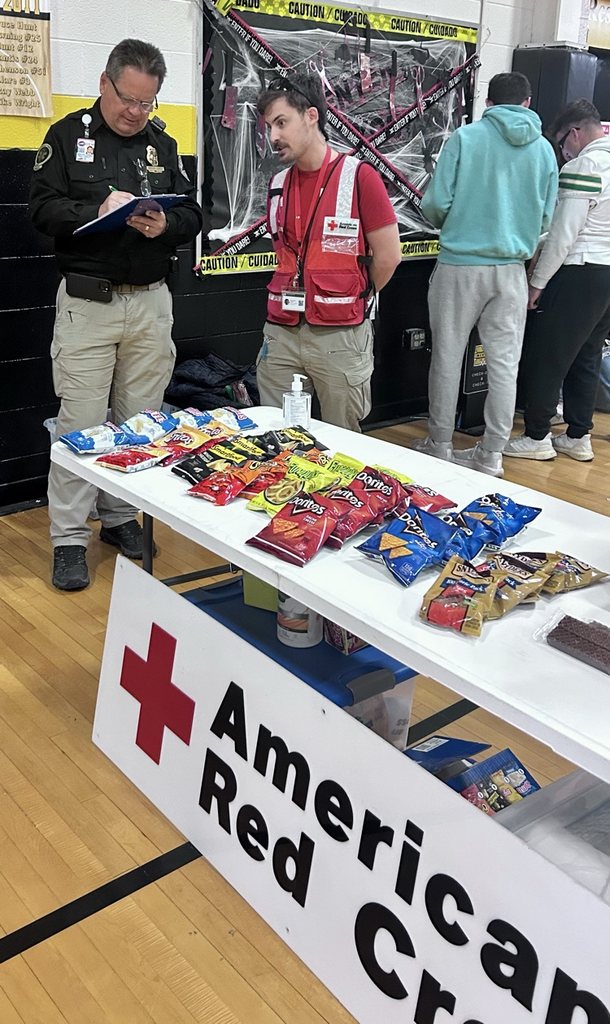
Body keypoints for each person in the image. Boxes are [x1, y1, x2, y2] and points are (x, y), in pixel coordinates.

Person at [29, 38, 203, 591]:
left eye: (148, 102)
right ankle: (69, 539)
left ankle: (122, 517)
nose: (136, 112)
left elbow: (194, 212)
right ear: (104, 84)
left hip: (151, 302)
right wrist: (94, 209)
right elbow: (40, 209)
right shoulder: (65, 136)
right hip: (89, 303)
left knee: (139, 426)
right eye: (128, 99)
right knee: (80, 425)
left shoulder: (164, 143)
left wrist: (167, 225)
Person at [412, 72, 558, 477]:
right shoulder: (545, 151)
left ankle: (439, 444)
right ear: (527, 104)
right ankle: (491, 453)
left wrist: (455, 221)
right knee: (504, 364)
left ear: (488, 102)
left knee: (447, 356)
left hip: (460, 264)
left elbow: (436, 203)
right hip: (512, 269)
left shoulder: (465, 138)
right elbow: (547, 217)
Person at [255, 73, 401, 432]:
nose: (273, 136)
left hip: (340, 335)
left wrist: (355, 297)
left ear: (311, 116)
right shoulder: (277, 186)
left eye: (281, 123)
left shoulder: (360, 177)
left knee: (344, 441)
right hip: (282, 332)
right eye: (269, 127)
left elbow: (388, 256)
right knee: (279, 438)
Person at [504, 99, 610, 463]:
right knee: (588, 355)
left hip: (580, 271)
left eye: (563, 143)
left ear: (575, 132)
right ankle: (578, 435)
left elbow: (564, 235)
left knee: (548, 354)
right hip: (607, 274)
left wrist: (537, 284)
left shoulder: (585, 165)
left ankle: (537, 436)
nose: (562, 153)